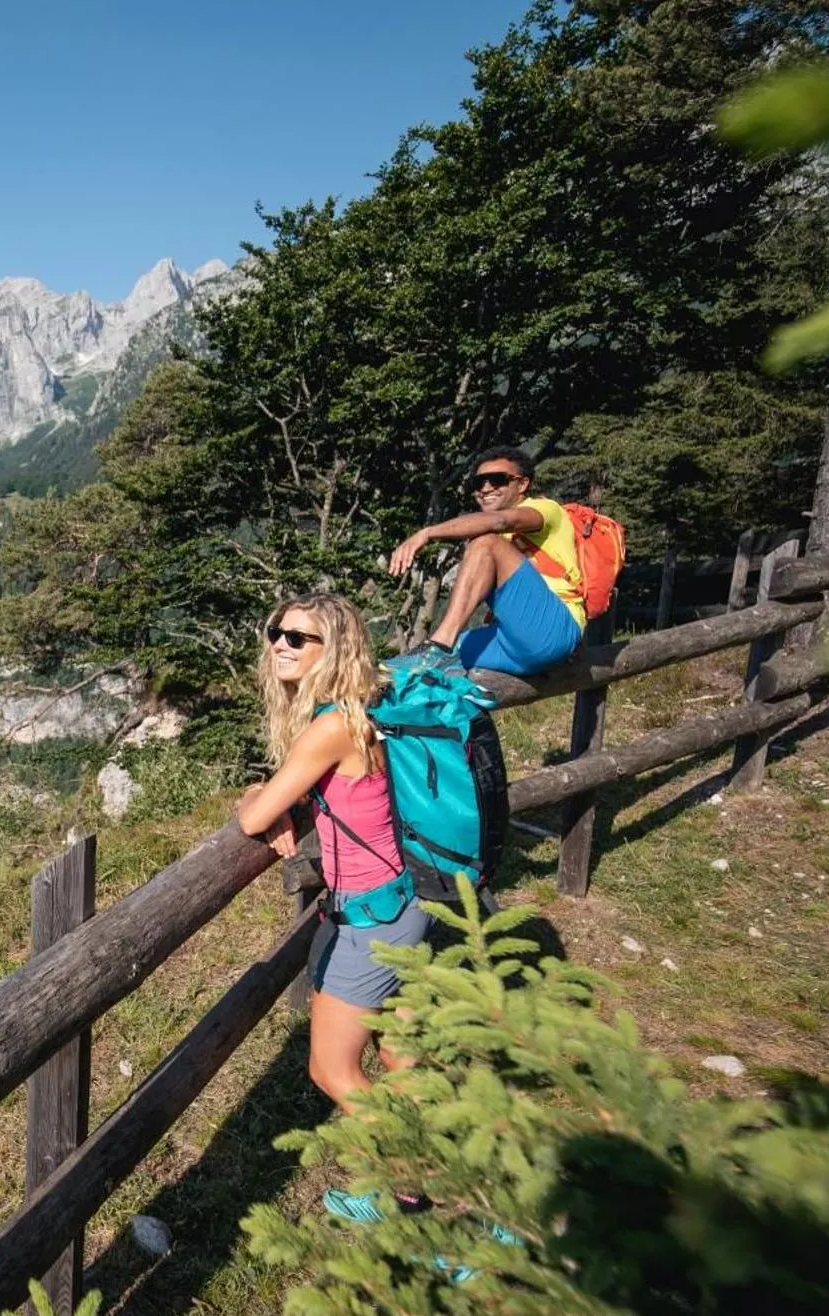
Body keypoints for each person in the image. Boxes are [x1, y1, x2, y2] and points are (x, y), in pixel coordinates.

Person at [235, 593, 429, 1226]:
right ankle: (416, 1174)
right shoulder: (360, 708)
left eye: (300, 638)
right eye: (278, 633)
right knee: (398, 1057)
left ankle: (423, 1188)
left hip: (370, 921)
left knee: (331, 1067)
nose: (282, 645)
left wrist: (258, 794)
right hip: (407, 904)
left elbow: (256, 817)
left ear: (334, 650)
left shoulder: (330, 727)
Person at [387, 446, 585, 676]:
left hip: (553, 632)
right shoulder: (499, 538)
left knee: (484, 543)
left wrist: (427, 533)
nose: (486, 488)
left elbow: (499, 521)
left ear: (522, 485)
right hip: (509, 639)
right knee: (411, 671)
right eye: (478, 483)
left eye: (497, 480)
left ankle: (439, 647)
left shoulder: (544, 509)